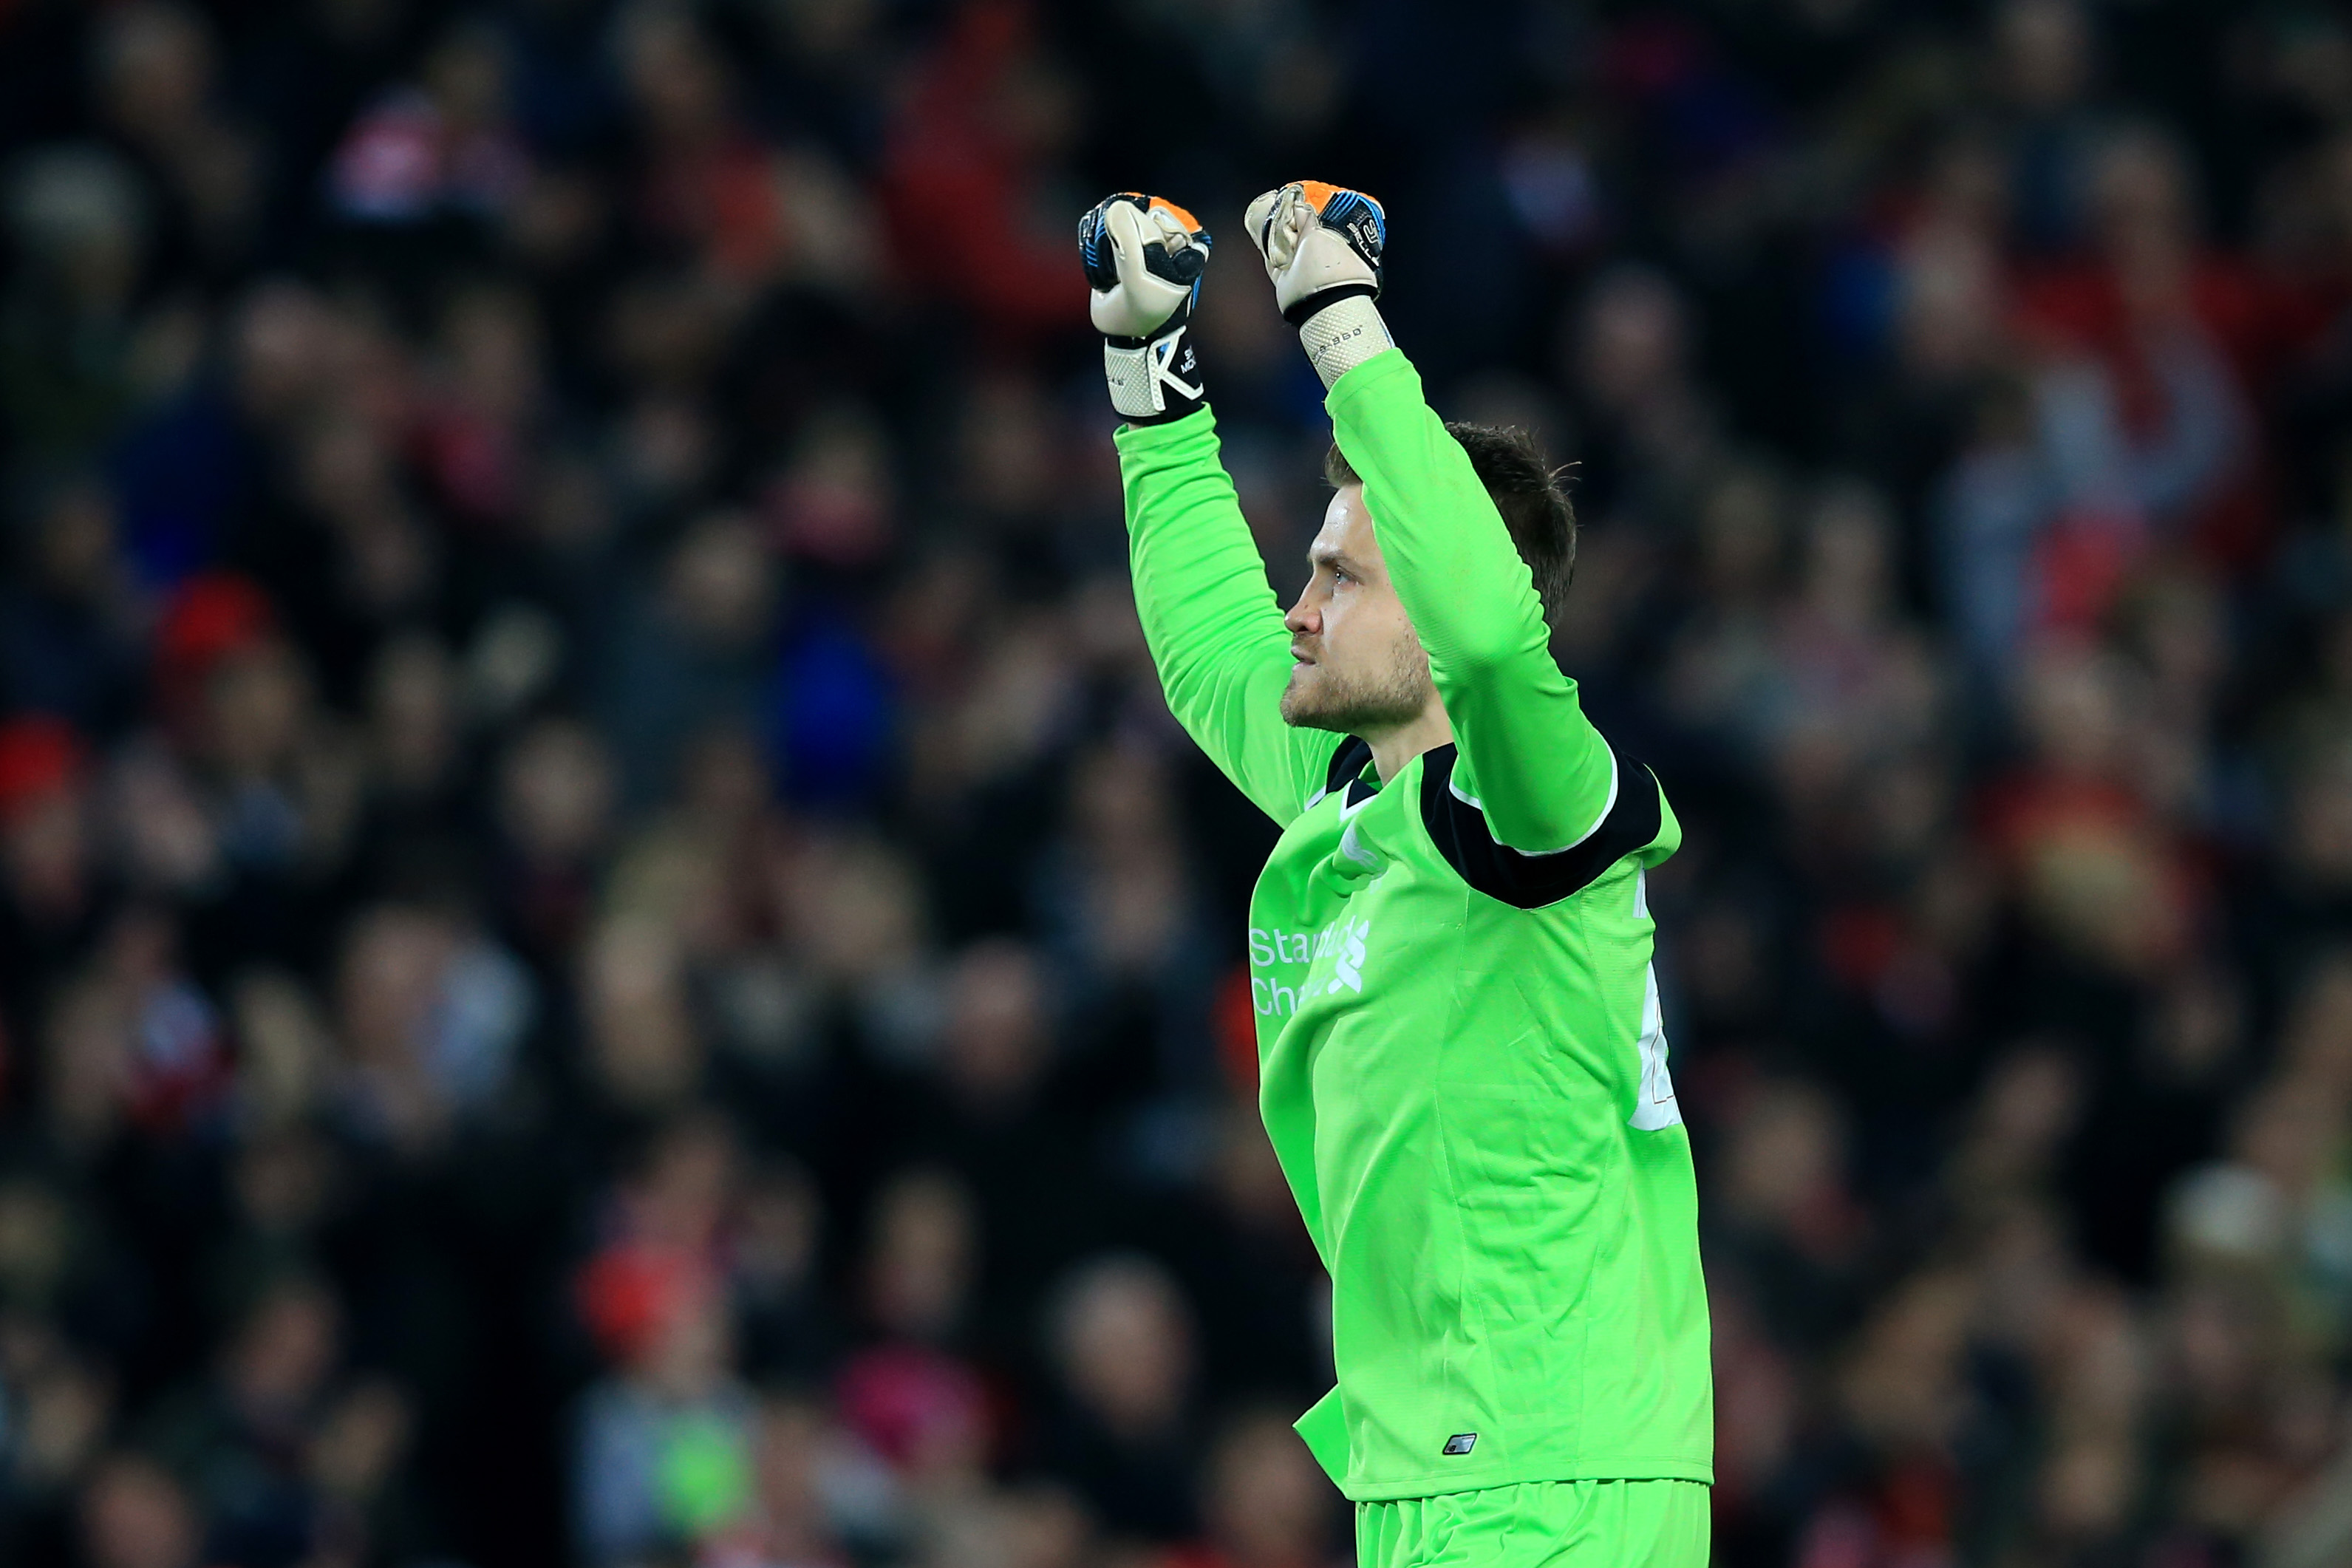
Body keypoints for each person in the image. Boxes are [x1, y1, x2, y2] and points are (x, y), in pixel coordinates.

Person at [1078, 185, 1713, 1566]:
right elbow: (1205, 650)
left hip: (1555, 1467)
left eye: (1340, 578)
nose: (1298, 607)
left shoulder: (1540, 810)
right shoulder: (1352, 799)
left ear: (1436, 594)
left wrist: (1337, 320)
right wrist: (1149, 368)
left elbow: (1489, 641)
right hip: (1434, 1471)